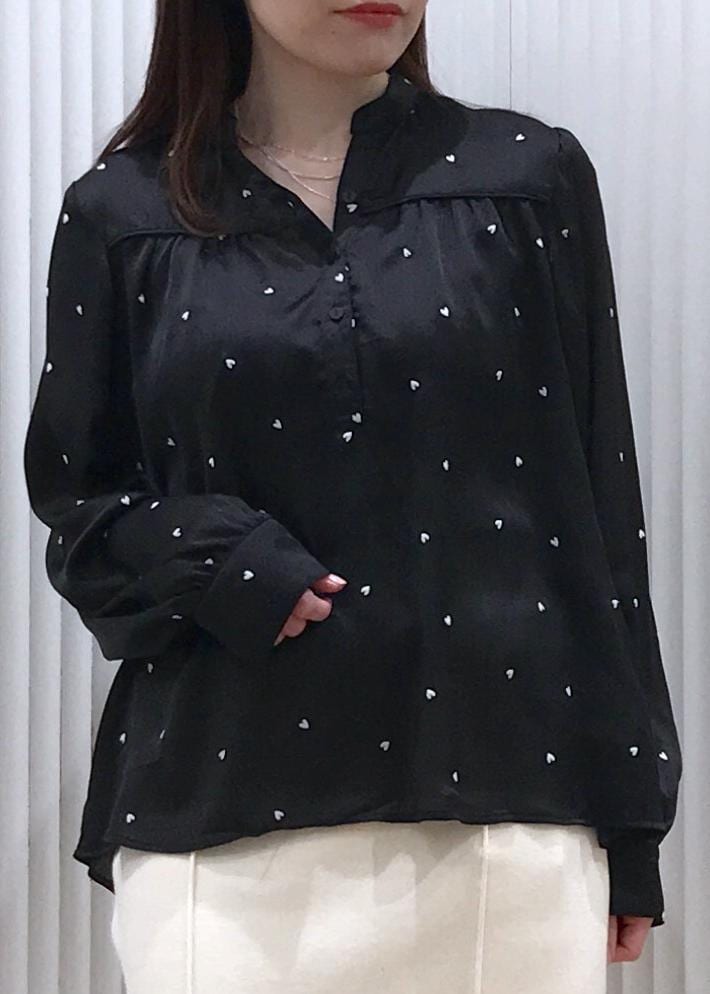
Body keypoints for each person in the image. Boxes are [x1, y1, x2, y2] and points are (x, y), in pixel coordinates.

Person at [23, 0, 683, 990]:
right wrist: (216, 560)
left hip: (509, 829)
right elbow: (79, 512)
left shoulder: (525, 177)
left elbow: (597, 515)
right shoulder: (123, 212)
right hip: (224, 837)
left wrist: (632, 820)